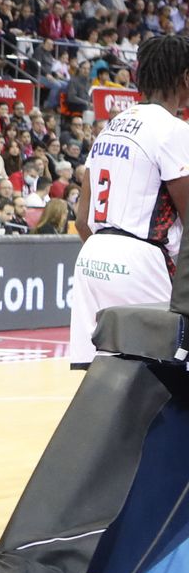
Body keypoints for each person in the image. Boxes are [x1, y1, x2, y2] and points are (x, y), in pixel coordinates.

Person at [69, 36, 189, 368]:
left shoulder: (110, 127)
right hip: (142, 259)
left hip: (93, 257)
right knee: (161, 381)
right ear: (186, 78)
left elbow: (82, 221)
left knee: (102, 380)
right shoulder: (174, 130)